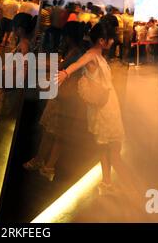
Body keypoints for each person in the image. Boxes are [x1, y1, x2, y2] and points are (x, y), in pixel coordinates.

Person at [57, 22, 135, 195]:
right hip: (105, 110)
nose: (113, 42)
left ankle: (106, 184)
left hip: (107, 106)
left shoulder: (99, 55)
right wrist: (66, 73)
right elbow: (78, 63)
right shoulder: (92, 54)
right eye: (111, 39)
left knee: (105, 149)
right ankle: (134, 190)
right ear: (102, 40)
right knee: (114, 151)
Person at [24, 21, 87, 181]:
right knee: (52, 130)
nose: (62, 39)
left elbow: (60, 70)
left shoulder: (76, 53)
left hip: (65, 98)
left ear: (68, 37)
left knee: (57, 132)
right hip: (62, 96)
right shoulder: (75, 51)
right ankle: (42, 162)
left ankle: (48, 165)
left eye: (64, 36)